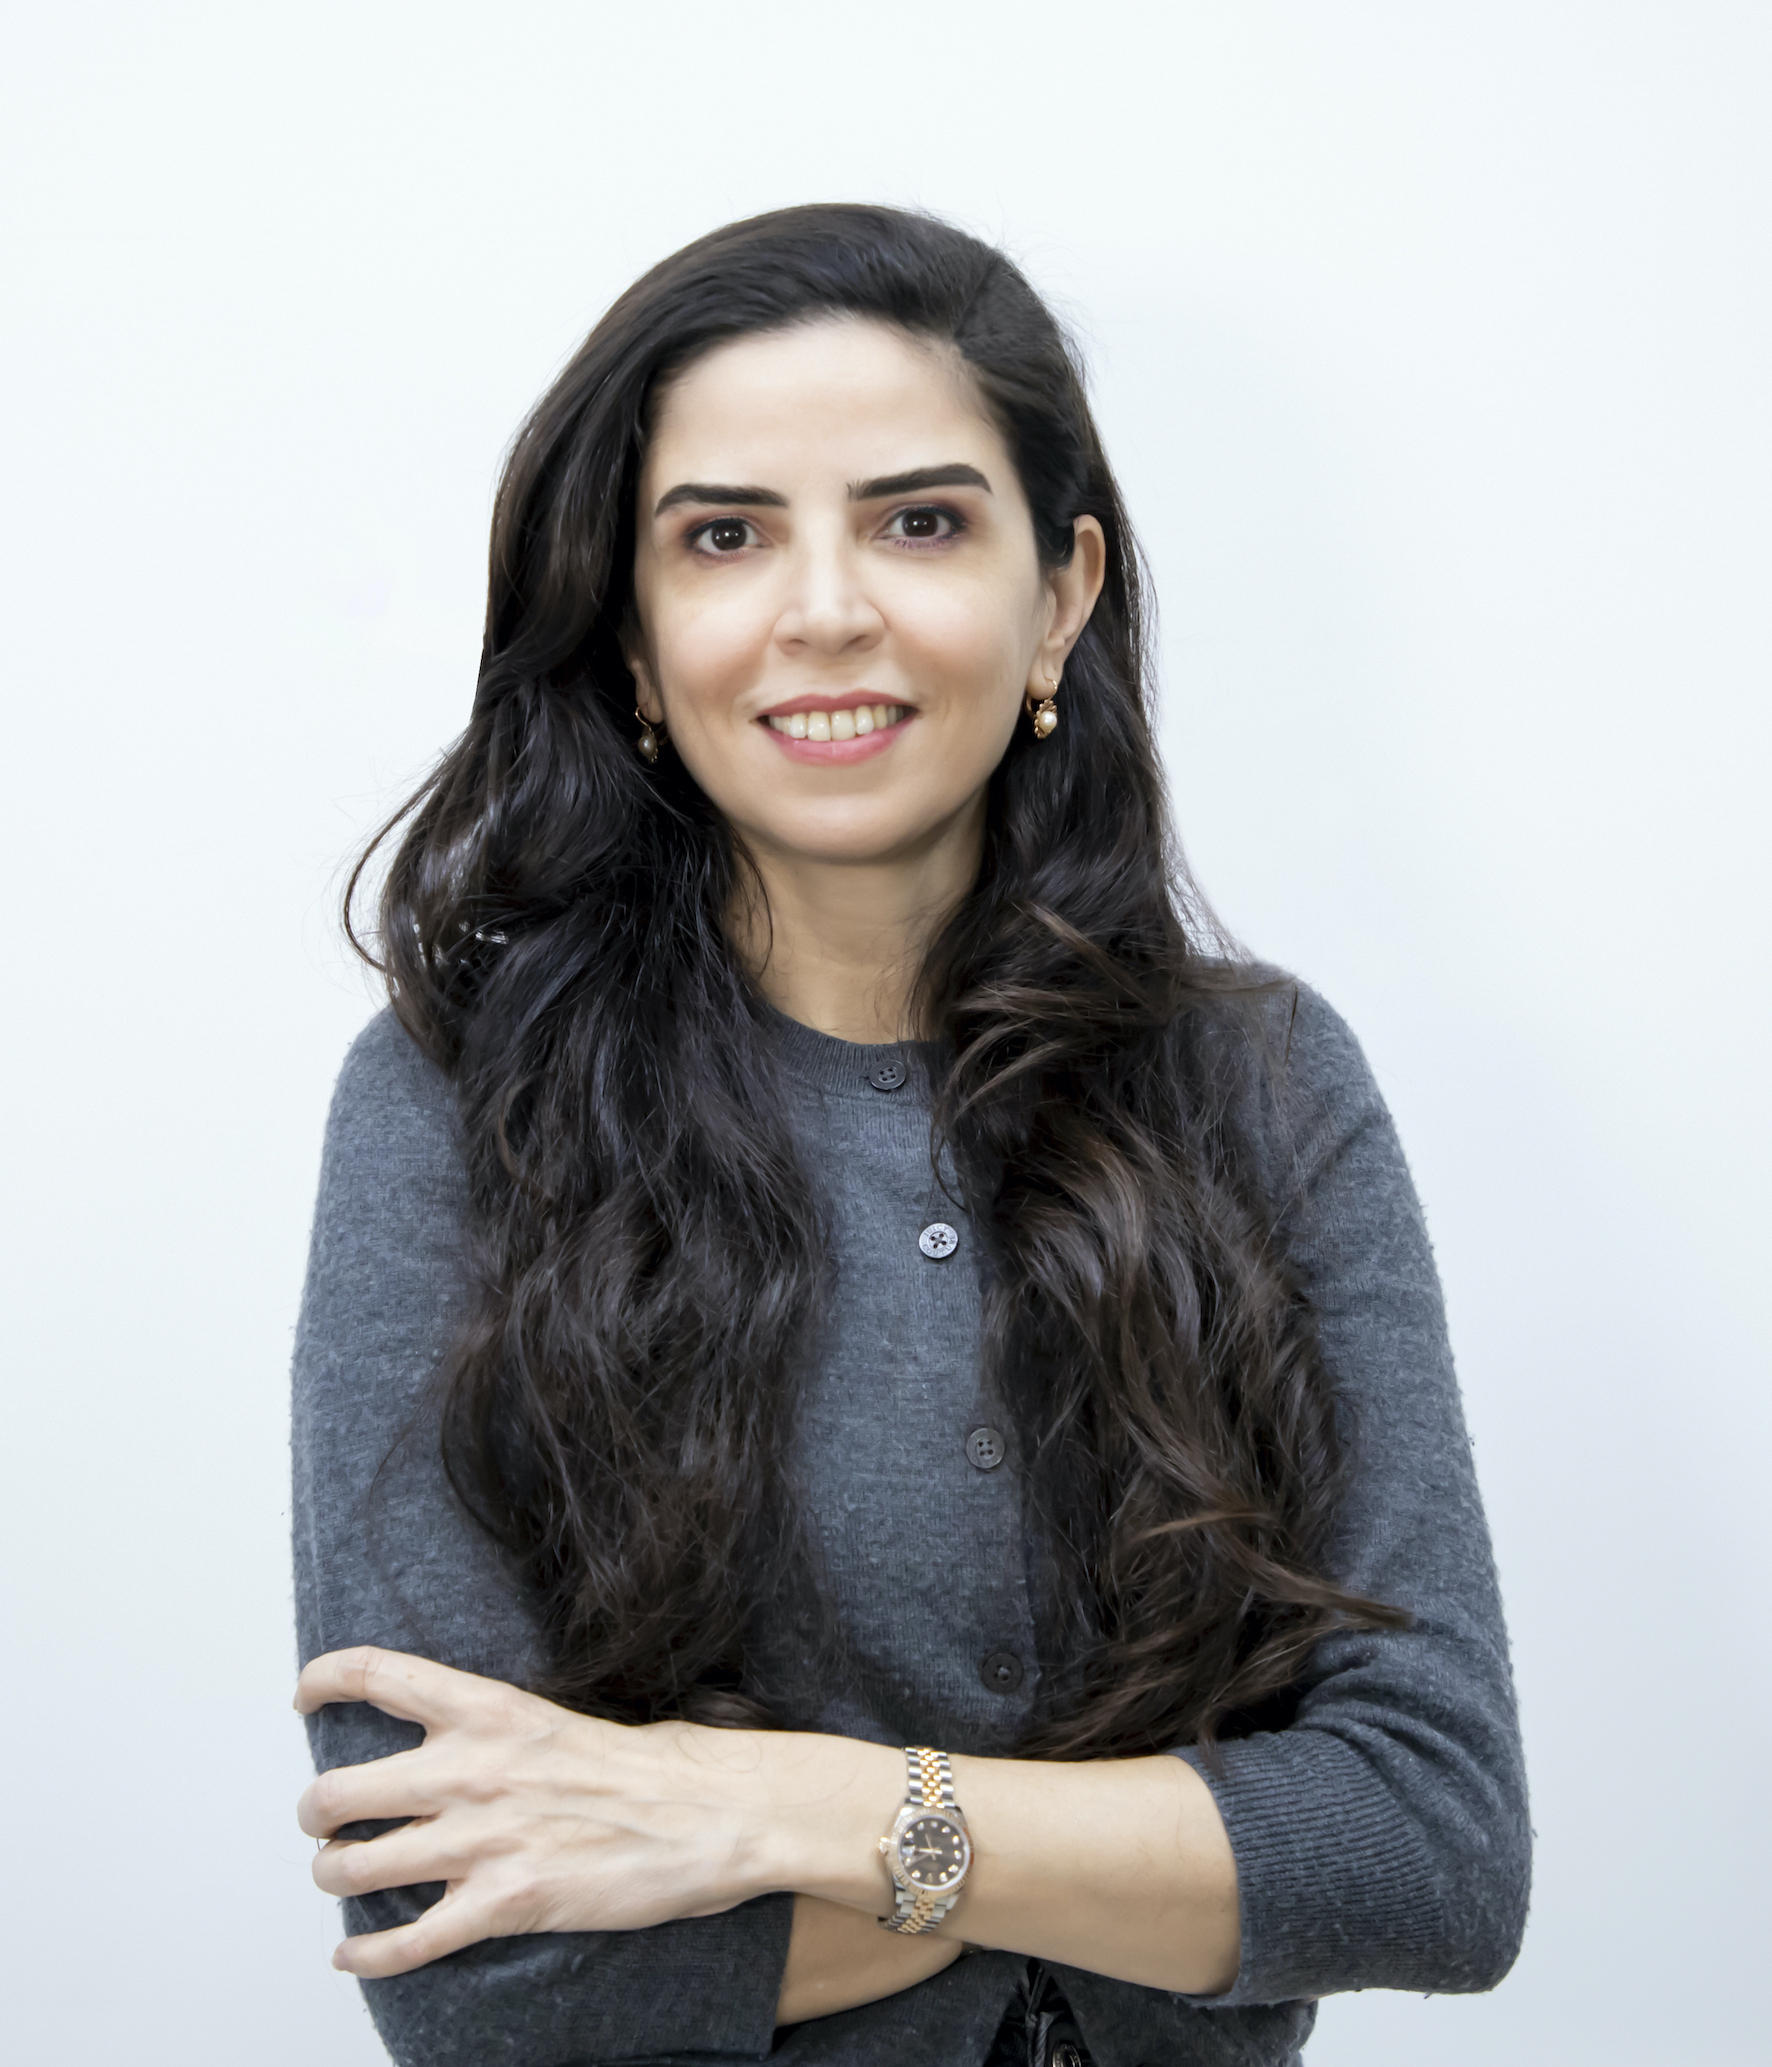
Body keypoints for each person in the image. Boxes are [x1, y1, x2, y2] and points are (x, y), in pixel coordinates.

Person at [291, 204, 1529, 2067]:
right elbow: (478, 1974)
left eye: (920, 522)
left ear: (1062, 596)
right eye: (724, 536)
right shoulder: (457, 1102)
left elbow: (1430, 1855)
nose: (825, 611)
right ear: (631, 636)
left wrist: (776, 1811)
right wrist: (1154, 1859)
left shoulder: (1263, 1083)